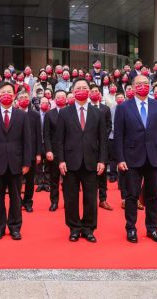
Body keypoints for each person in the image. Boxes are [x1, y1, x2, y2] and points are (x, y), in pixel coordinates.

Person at [114, 74, 157, 244]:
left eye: (146, 83)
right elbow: (118, 136)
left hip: (153, 157)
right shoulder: (123, 107)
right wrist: (120, 158)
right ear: (132, 87)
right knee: (131, 195)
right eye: (139, 84)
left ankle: (152, 228)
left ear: (150, 86)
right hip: (131, 158)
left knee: (153, 195)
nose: (143, 86)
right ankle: (131, 228)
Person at [56, 78, 107, 242]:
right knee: (71, 198)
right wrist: (61, 160)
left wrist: (102, 160)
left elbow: (103, 139)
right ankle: (74, 228)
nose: (81, 90)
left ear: (90, 91)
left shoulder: (98, 113)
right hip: (70, 162)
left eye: (85, 87)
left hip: (92, 161)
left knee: (91, 198)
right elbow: (59, 140)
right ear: (72, 91)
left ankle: (88, 228)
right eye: (78, 88)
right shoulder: (64, 113)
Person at [0, 82, 31, 240]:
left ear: (14, 95)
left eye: (9, 92)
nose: (6, 95)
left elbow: (27, 141)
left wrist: (26, 163)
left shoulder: (22, 116)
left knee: (16, 198)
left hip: (17, 163)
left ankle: (15, 227)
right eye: (3, 92)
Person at [17, 90, 41, 213]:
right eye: (21, 97)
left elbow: (38, 135)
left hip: (31, 153)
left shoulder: (35, 115)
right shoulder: (14, 113)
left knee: (30, 181)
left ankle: (28, 202)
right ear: (17, 100)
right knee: (16, 180)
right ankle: (17, 202)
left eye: (25, 97)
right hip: (16, 153)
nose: (23, 99)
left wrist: (38, 153)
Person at [43, 90, 67, 212]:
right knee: (54, 179)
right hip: (54, 151)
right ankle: (54, 202)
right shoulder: (49, 114)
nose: (60, 98)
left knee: (68, 180)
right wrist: (48, 150)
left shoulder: (71, 112)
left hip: (69, 152)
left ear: (66, 99)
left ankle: (68, 202)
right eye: (58, 97)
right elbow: (46, 134)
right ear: (54, 99)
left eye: (63, 96)